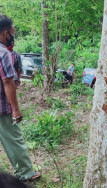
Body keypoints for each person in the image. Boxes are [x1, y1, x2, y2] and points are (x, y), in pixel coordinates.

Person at [0, 15, 41, 181]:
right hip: (2, 106)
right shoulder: (3, 53)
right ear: (4, 33)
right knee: (14, 139)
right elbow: (8, 81)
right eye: (12, 32)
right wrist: (16, 109)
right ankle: (25, 173)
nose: (13, 35)